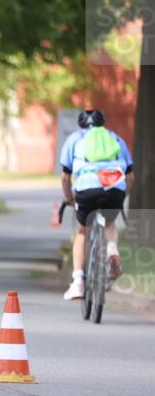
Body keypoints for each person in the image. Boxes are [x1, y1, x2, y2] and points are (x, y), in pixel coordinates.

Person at [59, 109, 134, 300]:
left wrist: (69, 198)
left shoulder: (75, 139)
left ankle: (78, 283)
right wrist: (121, 195)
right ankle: (113, 255)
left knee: (82, 230)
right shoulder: (115, 138)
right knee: (109, 224)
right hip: (114, 186)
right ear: (103, 124)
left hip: (87, 187)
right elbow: (130, 175)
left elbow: (65, 177)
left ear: (80, 125)